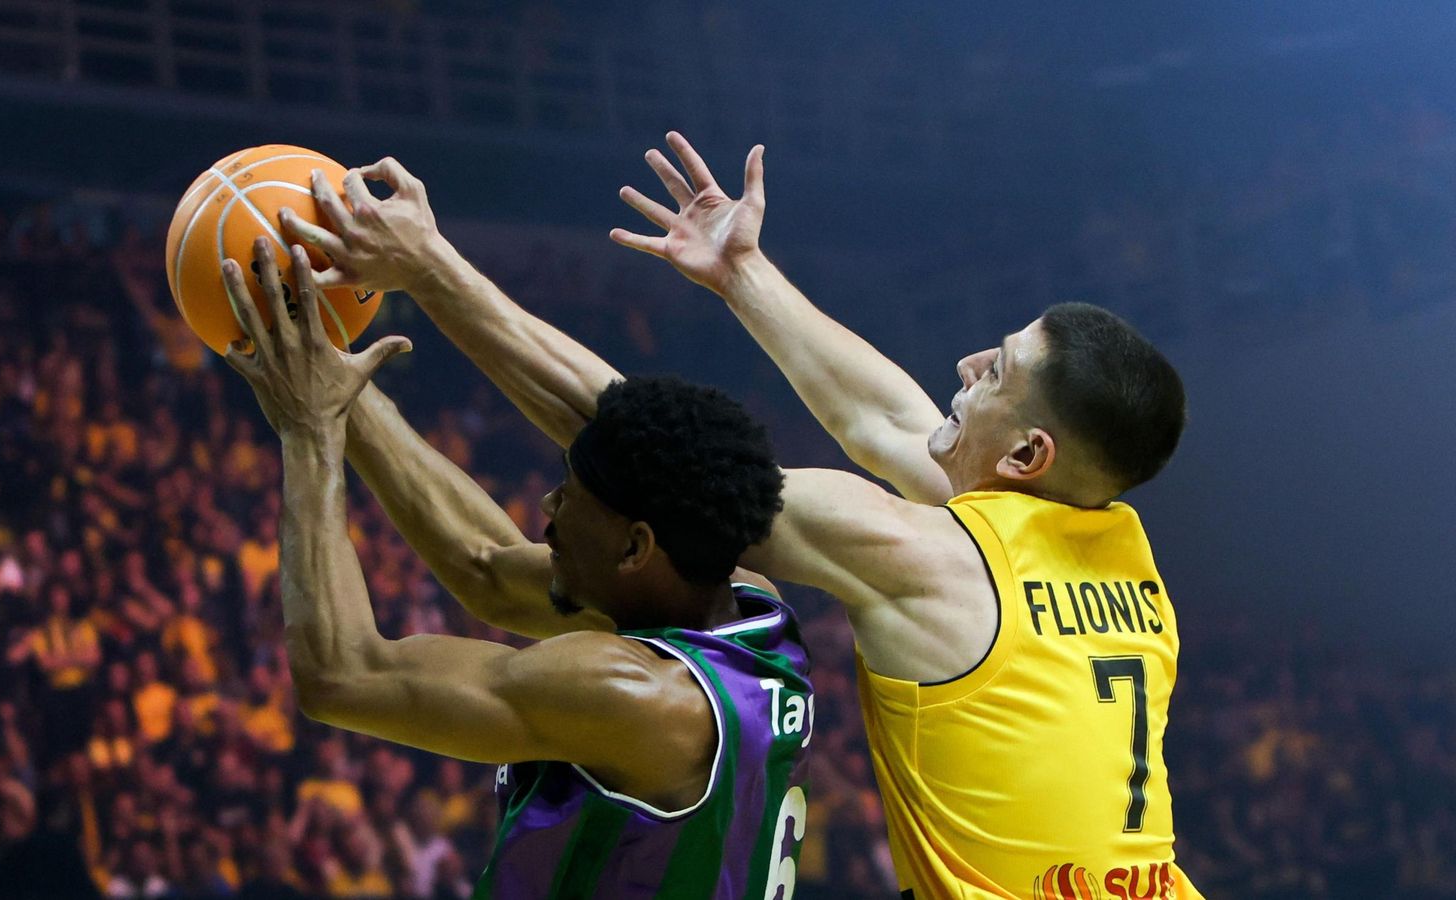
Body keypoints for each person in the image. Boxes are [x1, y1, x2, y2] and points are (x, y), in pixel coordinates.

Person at [285, 136, 1201, 899]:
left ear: (1026, 456)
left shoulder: (929, 561)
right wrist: (742, 273)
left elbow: (660, 456)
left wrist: (429, 268)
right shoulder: (1112, 535)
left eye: (995, 371)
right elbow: (882, 419)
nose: (963, 366)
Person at [218, 237, 810, 898]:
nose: (547, 506)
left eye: (572, 499)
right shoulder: (746, 606)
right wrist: (339, 383)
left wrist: (309, 434)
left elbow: (341, 676)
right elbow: (486, 568)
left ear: (636, 548)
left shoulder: (634, 699)